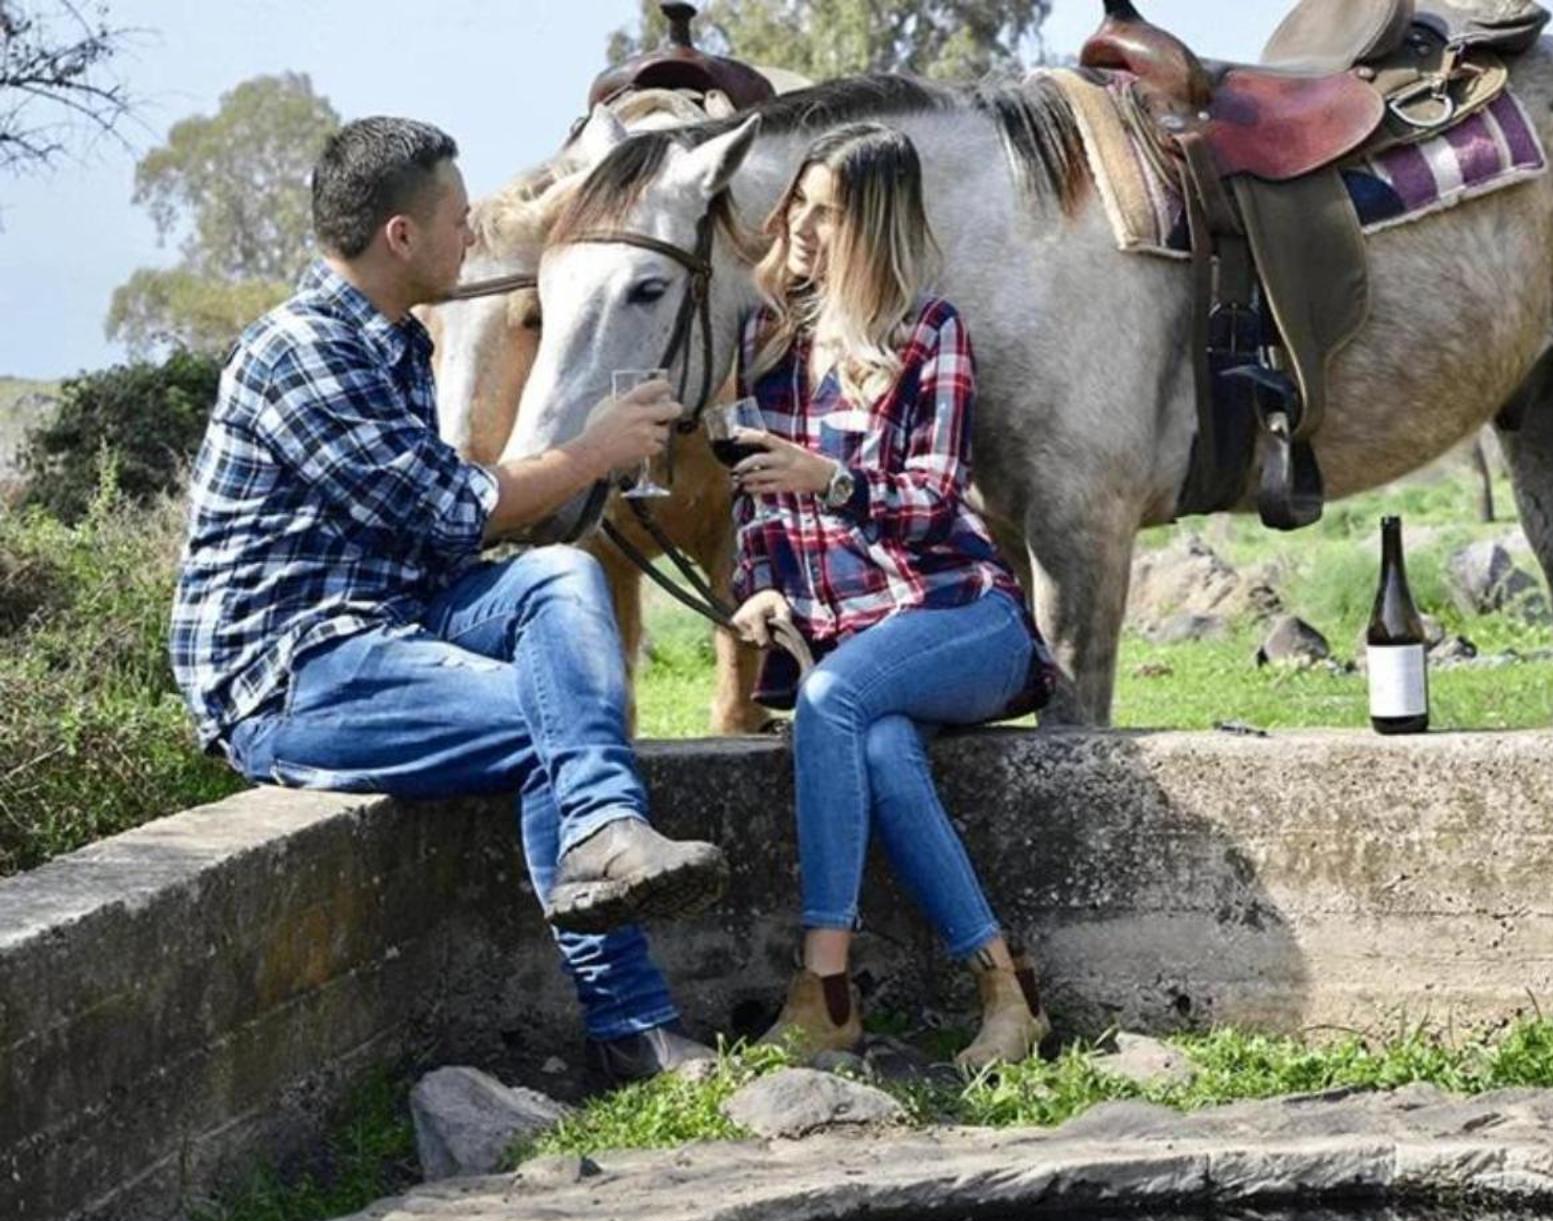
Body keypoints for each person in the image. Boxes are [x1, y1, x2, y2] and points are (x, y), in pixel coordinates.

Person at [168, 117, 723, 1083]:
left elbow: (438, 534)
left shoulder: (387, 344)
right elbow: (450, 507)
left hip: (390, 618)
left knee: (564, 573)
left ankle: (601, 837)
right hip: (291, 674)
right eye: (459, 220)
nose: (472, 236)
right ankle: (630, 1022)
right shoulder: (303, 353)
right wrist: (592, 449)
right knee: (555, 723)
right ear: (401, 237)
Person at [724, 122, 1056, 1071]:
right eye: (799, 204)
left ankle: (825, 988)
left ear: (871, 226)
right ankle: (1005, 983)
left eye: (826, 212)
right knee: (875, 741)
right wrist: (761, 594)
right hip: (856, 650)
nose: (800, 226)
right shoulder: (768, 340)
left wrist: (827, 478)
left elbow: (932, 500)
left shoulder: (930, 333)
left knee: (835, 699)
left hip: (960, 620)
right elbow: (758, 511)